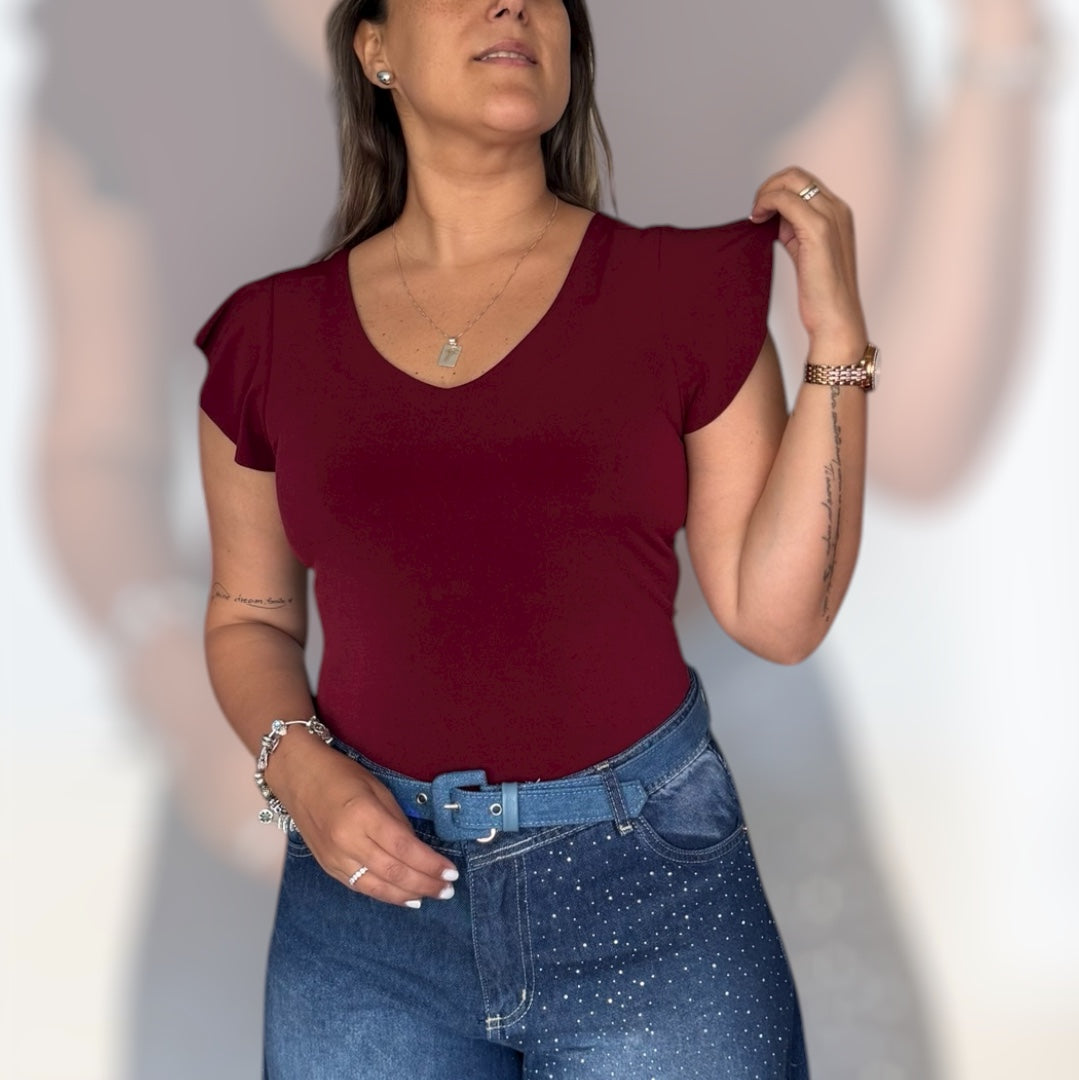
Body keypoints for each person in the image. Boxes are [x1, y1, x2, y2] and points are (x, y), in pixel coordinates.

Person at [195, 0, 876, 1075]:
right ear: (374, 48)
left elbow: (778, 617)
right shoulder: (268, 338)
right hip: (366, 919)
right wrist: (299, 768)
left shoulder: (686, 292)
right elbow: (248, 617)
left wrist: (837, 338)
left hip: (654, 896)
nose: (512, 2)